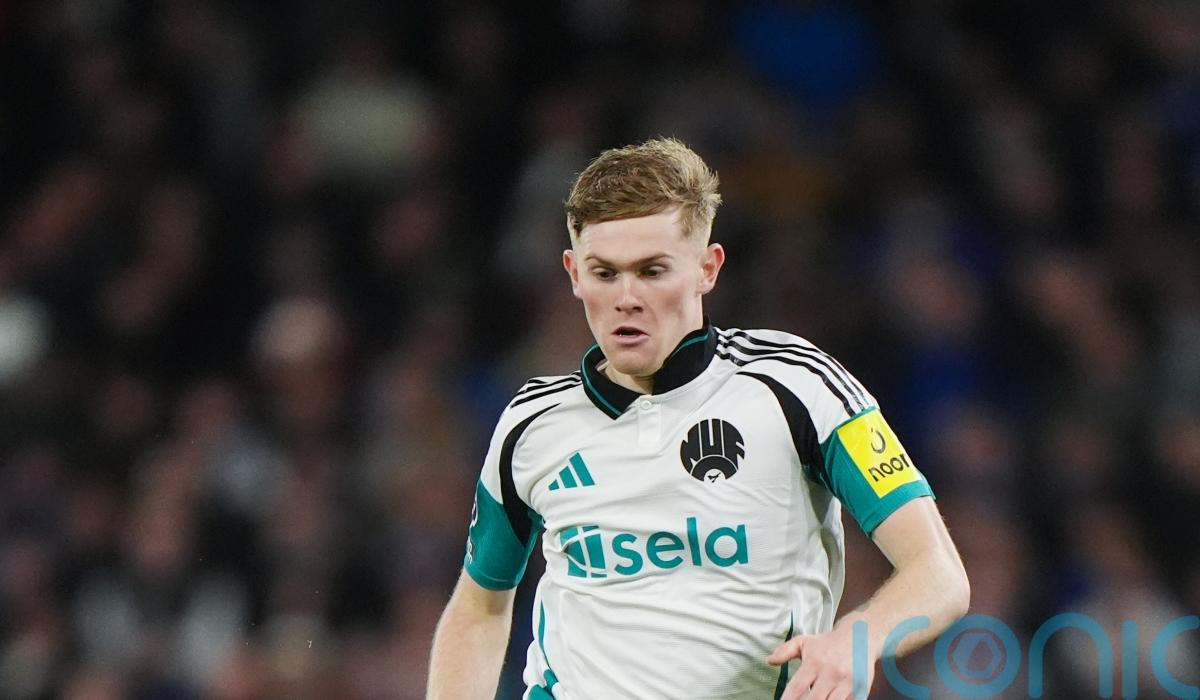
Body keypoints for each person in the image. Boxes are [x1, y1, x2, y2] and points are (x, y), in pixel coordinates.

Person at [427, 138, 969, 700]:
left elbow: (939, 574)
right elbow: (479, 609)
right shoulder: (532, 424)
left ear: (708, 268)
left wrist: (858, 637)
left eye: (652, 271)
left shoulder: (797, 388)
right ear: (573, 273)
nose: (626, 297)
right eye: (604, 273)